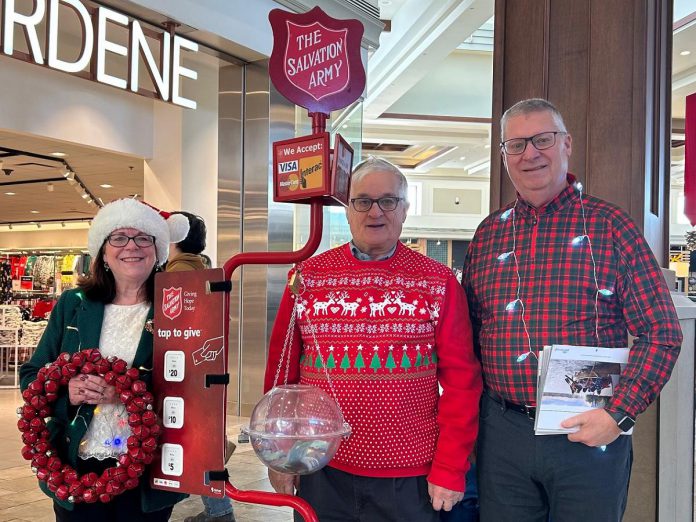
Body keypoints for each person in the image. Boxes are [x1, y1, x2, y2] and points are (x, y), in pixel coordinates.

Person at [462, 98, 683, 521]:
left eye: (542, 140)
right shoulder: (489, 234)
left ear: (566, 145)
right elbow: (469, 336)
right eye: (517, 144)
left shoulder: (610, 226)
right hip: (502, 433)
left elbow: (662, 332)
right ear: (504, 156)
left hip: (587, 433)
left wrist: (619, 413)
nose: (530, 153)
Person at [264, 157, 482, 521]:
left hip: (411, 474)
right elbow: (280, 377)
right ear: (347, 211)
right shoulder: (306, 278)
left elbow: (462, 383)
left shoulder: (438, 282)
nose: (375, 211)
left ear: (405, 209)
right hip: (320, 467)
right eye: (362, 201)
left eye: (389, 200)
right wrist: (281, 454)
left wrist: (450, 466)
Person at [20, 198, 191, 521]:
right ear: (103, 250)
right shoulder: (73, 304)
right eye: (119, 237)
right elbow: (32, 375)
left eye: (144, 237)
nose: (132, 246)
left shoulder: (179, 309)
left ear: (158, 251)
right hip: (75, 467)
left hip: (148, 471)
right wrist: (66, 393)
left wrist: (131, 394)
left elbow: (195, 388)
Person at [169, 212, 236, 522]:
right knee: (200, 440)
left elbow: (175, 324)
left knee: (194, 442)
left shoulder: (178, 273)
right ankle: (218, 509)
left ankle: (220, 510)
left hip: (182, 370)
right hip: (201, 366)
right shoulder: (203, 268)